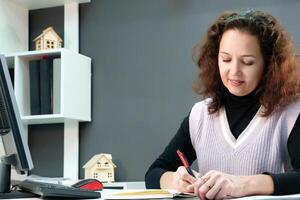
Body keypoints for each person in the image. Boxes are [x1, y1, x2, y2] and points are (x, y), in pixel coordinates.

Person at [145, 9, 300, 200]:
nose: (234, 71)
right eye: (225, 59)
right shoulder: (200, 115)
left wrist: (242, 184)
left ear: (269, 64)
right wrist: (175, 180)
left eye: (248, 62)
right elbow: (154, 173)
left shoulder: (291, 113)